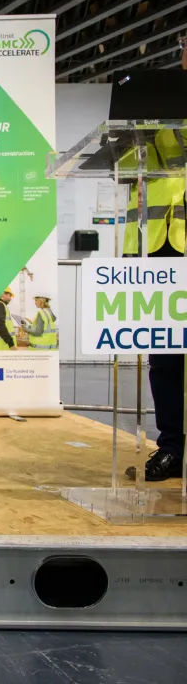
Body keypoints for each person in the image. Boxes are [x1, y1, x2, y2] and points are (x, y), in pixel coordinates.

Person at [121, 119, 187, 481]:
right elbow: (125, 169)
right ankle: (172, 448)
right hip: (156, 247)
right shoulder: (147, 113)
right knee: (164, 359)